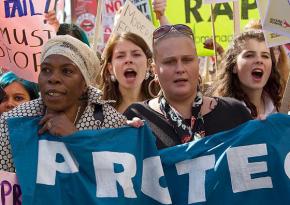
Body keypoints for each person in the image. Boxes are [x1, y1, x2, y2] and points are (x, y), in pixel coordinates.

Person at [0, 35, 129, 172]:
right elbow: (4, 185)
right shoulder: (14, 121)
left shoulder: (110, 122)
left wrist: (75, 138)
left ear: (84, 83)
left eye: (67, 71)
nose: (53, 78)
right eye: (46, 70)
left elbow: (116, 180)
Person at [124, 24, 252, 149]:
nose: (180, 69)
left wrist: (266, 128)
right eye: (169, 62)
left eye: (187, 60)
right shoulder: (138, 117)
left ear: (197, 62)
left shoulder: (235, 112)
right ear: (154, 70)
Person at [208, 30, 282, 118]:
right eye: (249, 55)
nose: (259, 60)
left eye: (265, 56)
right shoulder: (222, 111)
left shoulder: (276, 107)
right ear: (234, 66)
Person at [98, 32, 159, 113]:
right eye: (120, 56)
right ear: (111, 68)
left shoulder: (163, 108)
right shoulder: (97, 111)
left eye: (136, 54)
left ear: (148, 65)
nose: (128, 60)